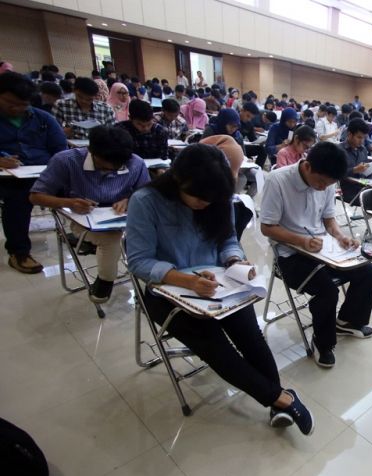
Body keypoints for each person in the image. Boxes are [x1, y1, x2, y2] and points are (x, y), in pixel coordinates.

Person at [125, 143, 314, 434]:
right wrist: (187, 280)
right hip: (167, 291)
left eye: (212, 200)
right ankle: (282, 399)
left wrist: (234, 260)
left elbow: (227, 240)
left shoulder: (217, 198)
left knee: (251, 335)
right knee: (216, 345)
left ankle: (278, 401)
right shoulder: (146, 201)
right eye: (199, 198)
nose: (205, 204)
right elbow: (139, 261)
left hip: (219, 283)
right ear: (178, 179)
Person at [260, 142, 372, 369]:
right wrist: (301, 241)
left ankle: (347, 321)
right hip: (289, 255)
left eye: (329, 185)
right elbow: (267, 227)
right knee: (327, 290)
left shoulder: (327, 182)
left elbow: (328, 219)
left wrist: (340, 236)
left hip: (322, 248)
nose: (323, 188)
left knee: (369, 271)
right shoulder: (277, 180)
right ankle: (323, 343)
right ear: (307, 166)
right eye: (321, 182)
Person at [30, 126, 149, 302]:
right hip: (81, 218)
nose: (110, 171)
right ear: (91, 151)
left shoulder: (135, 163)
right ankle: (105, 282)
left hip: (121, 218)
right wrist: (69, 203)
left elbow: (146, 193)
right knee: (111, 238)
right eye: (104, 166)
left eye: (116, 167)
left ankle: (155, 287)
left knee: (158, 230)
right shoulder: (66, 160)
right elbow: (35, 196)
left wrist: (129, 199)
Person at [0, 72, 68, 274]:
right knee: (19, 199)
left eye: (23, 104)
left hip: (43, 173)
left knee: (81, 187)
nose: (17, 108)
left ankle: (84, 233)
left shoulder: (43, 119)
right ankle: (19, 252)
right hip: (7, 178)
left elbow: (61, 152)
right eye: (10, 103)